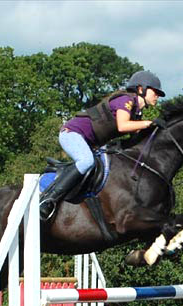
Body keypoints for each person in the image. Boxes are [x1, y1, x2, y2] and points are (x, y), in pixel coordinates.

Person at [38, 70, 167, 220]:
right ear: (141, 89)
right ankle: (48, 200)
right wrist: (149, 123)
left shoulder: (136, 113)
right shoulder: (126, 100)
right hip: (72, 133)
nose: (157, 96)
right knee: (86, 161)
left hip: (88, 142)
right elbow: (122, 126)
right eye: (155, 91)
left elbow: (134, 141)